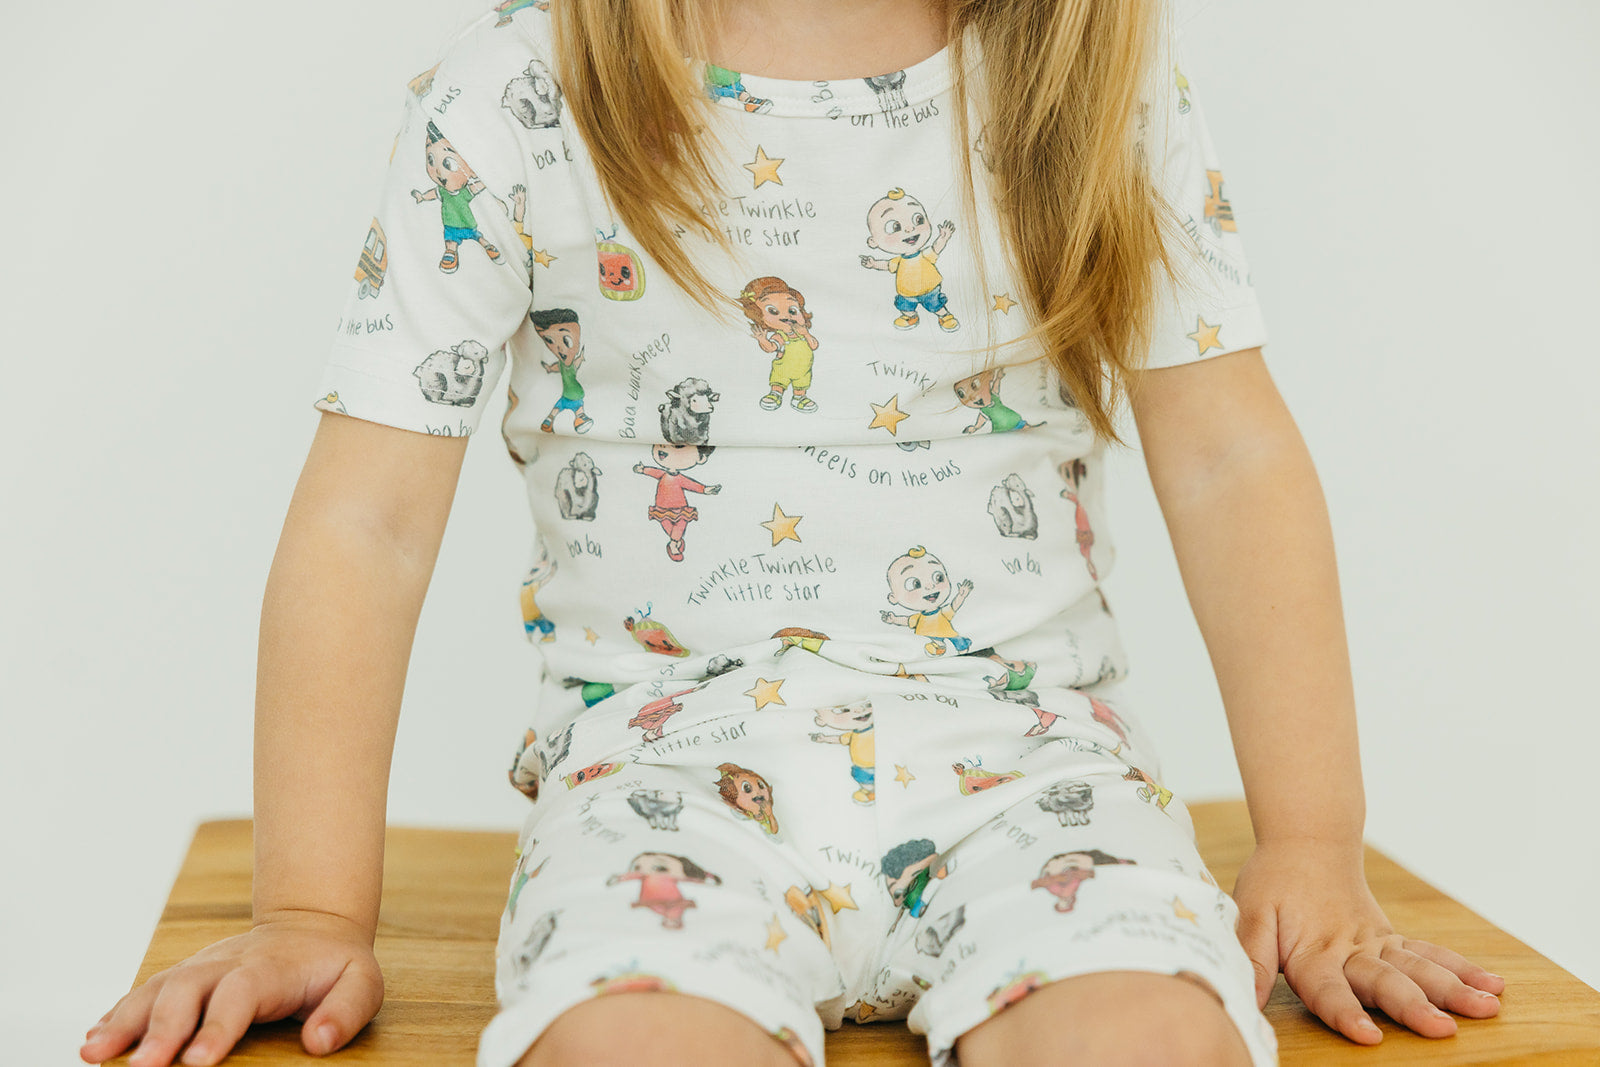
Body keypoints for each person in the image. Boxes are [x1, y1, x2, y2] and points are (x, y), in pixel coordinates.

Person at [80, 0, 1508, 1065]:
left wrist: (1312, 840)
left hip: (1032, 775)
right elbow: (369, 523)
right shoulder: (513, 95)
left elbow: (1230, 461)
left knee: (1149, 1039)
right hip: (661, 780)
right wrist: (312, 915)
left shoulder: (1088, 85)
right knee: (631, 1048)